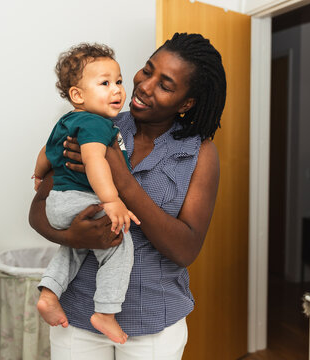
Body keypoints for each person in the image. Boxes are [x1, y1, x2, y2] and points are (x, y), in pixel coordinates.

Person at [30, 32, 226, 360]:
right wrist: (72, 236)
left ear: (187, 102)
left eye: (165, 85)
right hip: (77, 315)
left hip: (153, 323)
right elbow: (39, 207)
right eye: (147, 71)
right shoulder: (95, 124)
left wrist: (123, 181)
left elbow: (185, 249)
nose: (144, 85)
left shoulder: (199, 154)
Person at [33, 43, 140, 345]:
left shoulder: (66, 121)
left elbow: (44, 152)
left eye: (118, 81)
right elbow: (95, 161)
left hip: (58, 202)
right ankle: (105, 311)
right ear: (78, 95)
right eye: (105, 83)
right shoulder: (95, 123)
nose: (117, 90)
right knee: (120, 242)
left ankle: (49, 293)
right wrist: (111, 200)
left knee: (75, 248)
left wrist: (39, 173)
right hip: (81, 199)